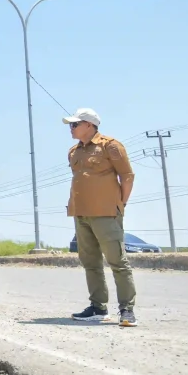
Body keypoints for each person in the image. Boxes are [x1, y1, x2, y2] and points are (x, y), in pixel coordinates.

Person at [63, 108, 138, 327]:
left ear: (89, 125)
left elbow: (127, 176)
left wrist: (121, 204)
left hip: (106, 212)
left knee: (118, 261)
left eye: (74, 124)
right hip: (81, 213)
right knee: (90, 263)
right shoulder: (73, 151)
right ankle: (98, 307)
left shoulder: (111, 146)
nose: (71, 128)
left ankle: (127, 309)